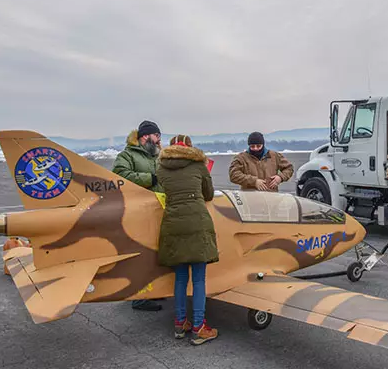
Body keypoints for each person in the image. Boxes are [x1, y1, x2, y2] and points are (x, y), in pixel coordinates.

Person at [156, 134, 219, 345]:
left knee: (180, 278)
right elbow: (208, 194)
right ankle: (199, 327)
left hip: (173, 224)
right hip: (197, 223)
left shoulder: (161, 168)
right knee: (199, 279)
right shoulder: (199, 165)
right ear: (190, 147)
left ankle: (180, 323)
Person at [111, 120, 164, 311]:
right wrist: (150, 179)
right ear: (145, 137)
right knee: (141, 255)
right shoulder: (127, 155)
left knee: (158, 253)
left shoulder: (157, 156)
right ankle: (139, 297)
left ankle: (156, 289)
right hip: (139, 214)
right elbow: (119, 175)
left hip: (159, 211)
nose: (159, 140)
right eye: (156, 136)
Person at [228, 131, 294, 191]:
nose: (255, 148)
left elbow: (289, 168)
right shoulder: (241, 158)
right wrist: (254, 181)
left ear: (263, 144)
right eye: (252, 146)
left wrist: (280, 177)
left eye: (258, 146)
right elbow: (233, 175)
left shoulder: (274, 156)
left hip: (271, 197)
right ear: (249, 145)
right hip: (249, 198)